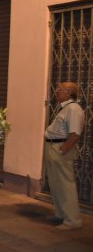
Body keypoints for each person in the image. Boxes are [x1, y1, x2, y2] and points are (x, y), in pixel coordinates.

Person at [44, 82, 85, 230]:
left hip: (60, 149)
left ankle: (72, 221)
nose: (57, 91)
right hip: (54, 147)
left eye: (60, 89)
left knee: (65, 185)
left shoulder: (73, 109)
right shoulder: (65, 108)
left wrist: (63, 149)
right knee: (56, 184)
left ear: (68, 92)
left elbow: (75, 134)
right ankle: (61, 214)